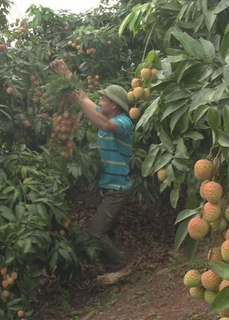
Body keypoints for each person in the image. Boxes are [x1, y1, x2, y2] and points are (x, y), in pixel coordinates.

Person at [51, 59, 133, 285]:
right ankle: (111, 269)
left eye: (104, 99)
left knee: (95, 232)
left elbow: (103, 124)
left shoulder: (123, 122)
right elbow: (84, 98)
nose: (100, 101)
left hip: (118, 189)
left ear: (114, 105)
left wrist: (81, 106)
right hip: (109, 187)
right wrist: (67, 72)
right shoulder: (105, 115)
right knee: (106, 230)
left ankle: (119, 267)